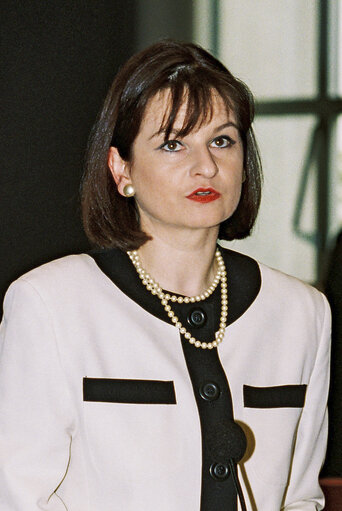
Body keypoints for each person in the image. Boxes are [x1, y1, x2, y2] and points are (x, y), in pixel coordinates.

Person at [0, 40, 330, 511]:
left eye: (222, 140)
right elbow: (19, 498)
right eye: (173, 144)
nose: (207, 166)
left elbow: (301, 499)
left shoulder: (303, 313)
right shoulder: (50, 304)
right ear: (122, 169)